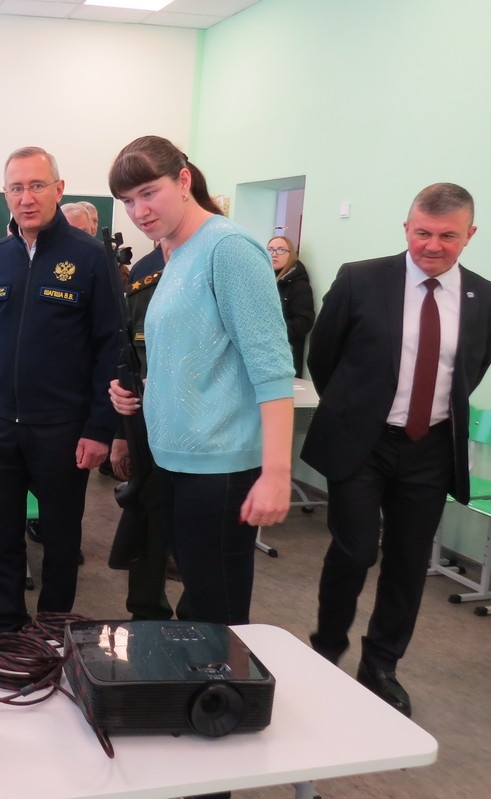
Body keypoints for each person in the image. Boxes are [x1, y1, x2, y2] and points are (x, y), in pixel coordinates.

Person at [302, 183, 491, 716]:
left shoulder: (490, 299)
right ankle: (326, 649)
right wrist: (358, 411)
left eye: (447, 236)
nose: (432, 245)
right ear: (406, 228)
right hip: (364, 442)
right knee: (354, 551)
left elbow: (471, 370)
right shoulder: (361, 280)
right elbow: (324, 357)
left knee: (408, 562)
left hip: (432, 447)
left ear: (470, 234)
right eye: (423, 233)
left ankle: (381, 665)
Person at [107, 136, 294, 628]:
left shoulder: (228, 249)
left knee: (217, 615)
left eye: (149, 193)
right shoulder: (174, 252)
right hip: (171, 460)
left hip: (219, 467)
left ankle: (227, 679)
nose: (139, 211)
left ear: (184, 180)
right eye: (128, 201)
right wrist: (143, 392)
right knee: (196, 609)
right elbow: (193, 354)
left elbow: (272, 368)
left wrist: (276, 474)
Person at [0, 146, 120, 634]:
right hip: (0, 424)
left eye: (36, 186)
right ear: (5, 195)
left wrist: (100, 427)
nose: (26, 198)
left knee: (61, 537)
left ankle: (53, 629)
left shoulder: (91, 257)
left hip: (63, 428)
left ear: (58, 189)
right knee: (1, 534)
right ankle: (8, 626)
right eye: (16, 188)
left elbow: (110, 347)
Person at [106, 240, 173, 621]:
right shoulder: (145, 269)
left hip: (211, 435)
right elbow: (129, 359)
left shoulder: (226, 258)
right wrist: (121, 434)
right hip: (148, 426)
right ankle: (146, 618)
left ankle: (200, 629)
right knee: (148, 526)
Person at [268, 235, 315, 377]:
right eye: (270, 250)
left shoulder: (299, 285)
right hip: (263, 352)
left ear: (291, 254)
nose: (274, 254)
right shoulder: (264, 279)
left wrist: (272, 331)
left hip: (286, 356)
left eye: (281, 250)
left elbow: (304, 322)